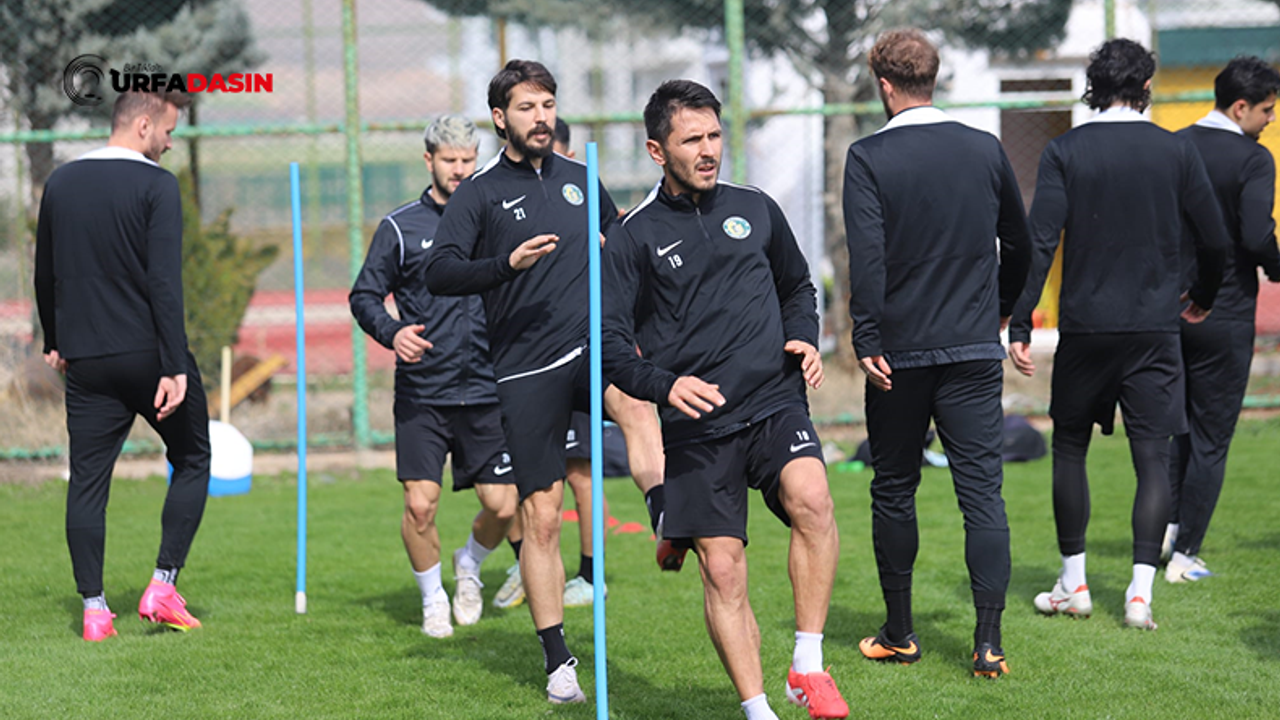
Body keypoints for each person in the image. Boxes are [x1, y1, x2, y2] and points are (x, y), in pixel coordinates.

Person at [424, 59, 669, 704]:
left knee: (637, 403)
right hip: (527, 368)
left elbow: (623, 249)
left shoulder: (582, 178)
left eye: (548, 105)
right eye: (527, 107)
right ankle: (558, 661)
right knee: (542, 515)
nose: (541, 117)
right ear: (500, 117)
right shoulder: (479, 194)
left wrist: (620, 256)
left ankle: (664, 514)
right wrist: (505, 264)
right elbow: (440, 272)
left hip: (592, 344)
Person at [602, 79, 848, 720]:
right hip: (698, 427)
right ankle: (757, 708)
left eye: (715, 135)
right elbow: (609, 344)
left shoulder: (756, 207)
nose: (709, 150)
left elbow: (798, 286)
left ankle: (807, 665)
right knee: (722, 569)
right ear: (658, 151)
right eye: (692, 140)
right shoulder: (632, 237)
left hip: (773, 400)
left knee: (813, 499)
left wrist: (803, 336)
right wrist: (665, 386)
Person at [1008, 38, 1228, 631]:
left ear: (1094, 87)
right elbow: (1214, 239)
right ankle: (1139, 596)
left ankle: (1074, 584)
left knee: (1069, 447)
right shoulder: (1176, 151)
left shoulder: (1065, 150)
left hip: (1087, 326)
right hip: (1155, 326)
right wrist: (1203, 296)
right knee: (1152, 457)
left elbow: (1040, 240)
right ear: (1146, 87)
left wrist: (1021, 317)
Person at [843, 28, 1032, 679]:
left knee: (895, 489)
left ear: (884, 85)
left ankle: (900, 633)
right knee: (983, 496)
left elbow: (867, 258)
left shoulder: (867, 156)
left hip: (899, 355)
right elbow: (1020, 242)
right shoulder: (984, 148)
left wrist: (866, 335)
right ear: (933, 77)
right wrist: (1004, 308)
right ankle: (988, 643)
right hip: (973, 350)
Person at [34, 89, 211, 641]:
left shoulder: (61, 182)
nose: (169, 143)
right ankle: (162, 585)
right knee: (193, 457)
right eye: (168, 132)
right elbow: (164, 281)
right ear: (143, 125)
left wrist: (55, 340)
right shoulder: (157, 185)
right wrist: (174, 363)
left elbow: (45, 271)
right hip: (148, 356)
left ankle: (94, 611)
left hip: (86, 359)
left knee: (87, 482)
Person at [349, 114, 518, 639]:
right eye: (450, 160)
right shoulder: (401, 227)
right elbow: (364, 295)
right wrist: (392, 332)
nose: (460, 170)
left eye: (468, 160)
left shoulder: (496, 223)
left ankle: (469, 563)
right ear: (429, 160)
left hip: (488, 389)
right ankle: (433, 599)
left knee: (503, 505)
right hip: (424, 392)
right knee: (420, 505)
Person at [492, 116, 641, 612]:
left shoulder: (584, 200)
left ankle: (591, 575)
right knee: (530, 486)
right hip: (529, 361)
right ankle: (532, 565)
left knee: (580, 473)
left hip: (580, 354)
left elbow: (622, 253)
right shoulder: (509, 204)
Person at [1164, 57, 1280, 583]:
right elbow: (1256, 235)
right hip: (1225, 310)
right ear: (1240, 107)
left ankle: (1166, 531)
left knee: (1179, 431)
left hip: (1169, 308)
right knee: (1211, 438)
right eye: (1266, 110)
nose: (1270, 120)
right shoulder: (1253, 159)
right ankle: (1185, 555)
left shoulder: (1175, 146)